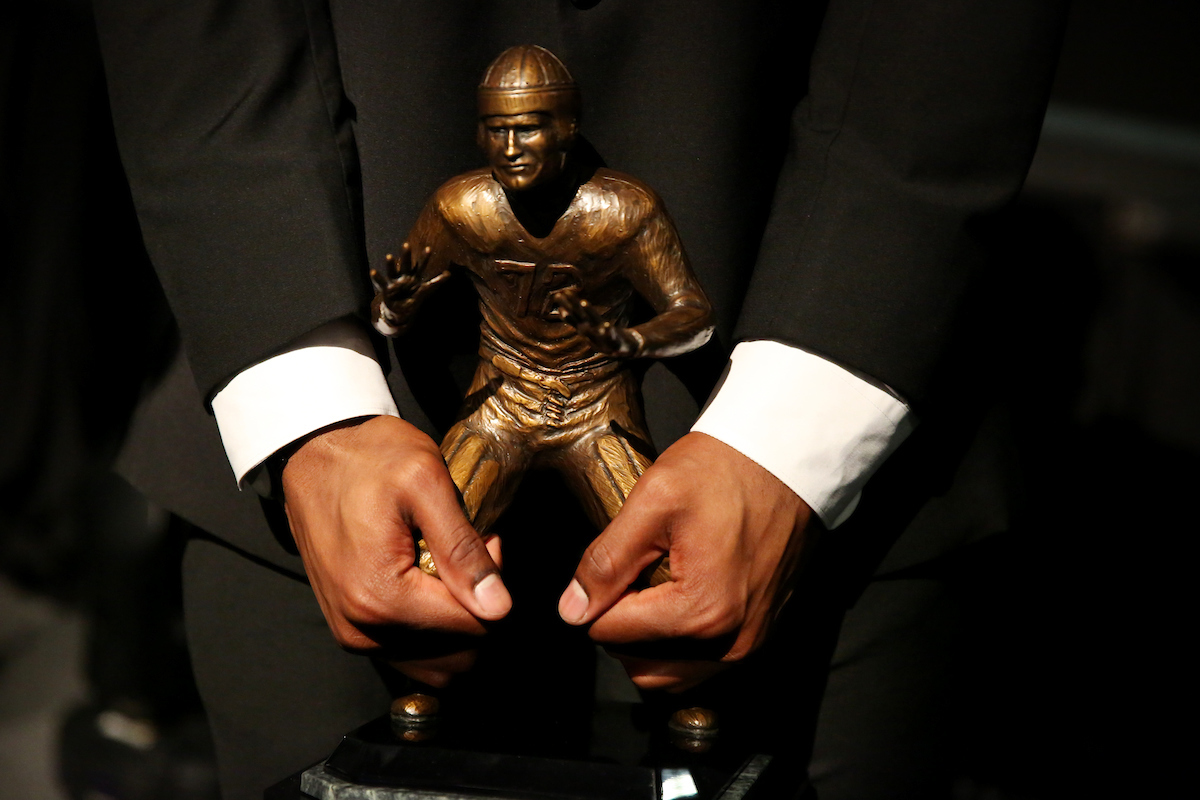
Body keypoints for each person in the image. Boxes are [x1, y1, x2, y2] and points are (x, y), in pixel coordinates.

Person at [94, 1, 1069, 797]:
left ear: (568, 128)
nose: (517, 150)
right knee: (441, 577)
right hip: (464, 410)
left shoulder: (619, 211)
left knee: (661, 626)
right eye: (501, 130)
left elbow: (684, 307)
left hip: (627, 410)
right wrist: (319, 381)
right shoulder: (462, 207)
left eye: (536, 128)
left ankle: (687, 716)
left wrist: (739, 394)